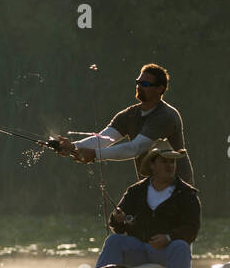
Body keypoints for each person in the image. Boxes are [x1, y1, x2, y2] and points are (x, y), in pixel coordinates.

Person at [89, 139, 200, 268]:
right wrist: (117, 219)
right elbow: (116, 225)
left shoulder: (187, 194)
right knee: (114, 241)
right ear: (152, 165)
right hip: (139, 250)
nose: (170, 166)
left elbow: (192, 229)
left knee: (181, 246)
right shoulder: (136, 191)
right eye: (164, 161)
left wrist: (168, 238)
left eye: (172, 162)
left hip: (167, 251)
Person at [52, 63, 194, 184]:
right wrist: (72, 147)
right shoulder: (129, 115)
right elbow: (103, 140)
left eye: (145, 84)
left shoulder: (165, 116)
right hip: (149, 186)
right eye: (138, 82)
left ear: (160, 89)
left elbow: (134, 148)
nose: (139, 86)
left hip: (178, 188)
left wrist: (95, 155)